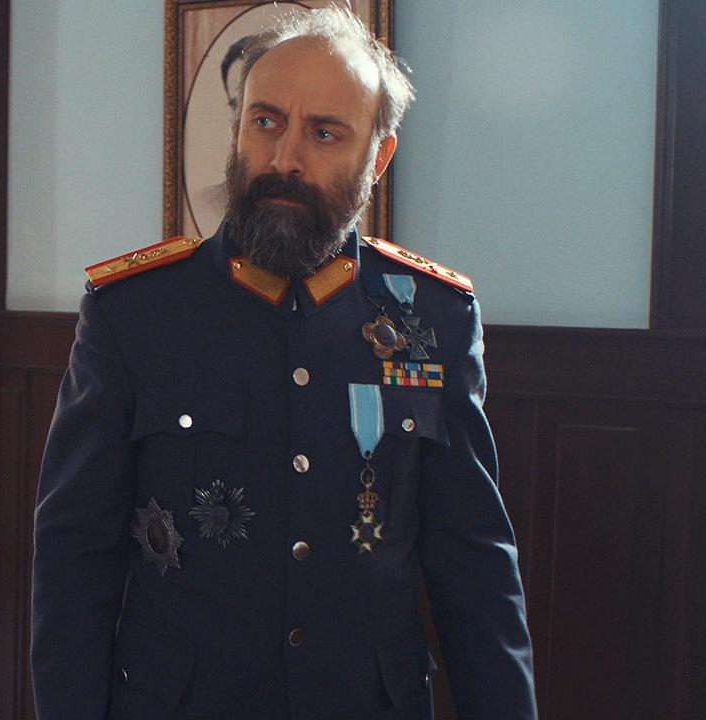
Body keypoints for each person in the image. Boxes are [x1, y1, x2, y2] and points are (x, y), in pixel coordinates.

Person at [31, 7, 536, 720]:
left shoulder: (434, 319)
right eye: (265, 121)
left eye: (325, 133)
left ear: (378, 159)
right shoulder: (135, 313)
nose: (284, 159)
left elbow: (474, 566)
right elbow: (74, 557)